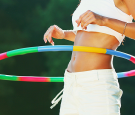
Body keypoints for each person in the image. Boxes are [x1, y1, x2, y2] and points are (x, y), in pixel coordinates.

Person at [43, 0, 135, 114]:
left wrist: (104, 20)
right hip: (71, 82)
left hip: (97, 85)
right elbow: (89, 35)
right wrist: (64, 34)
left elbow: (102, 26)